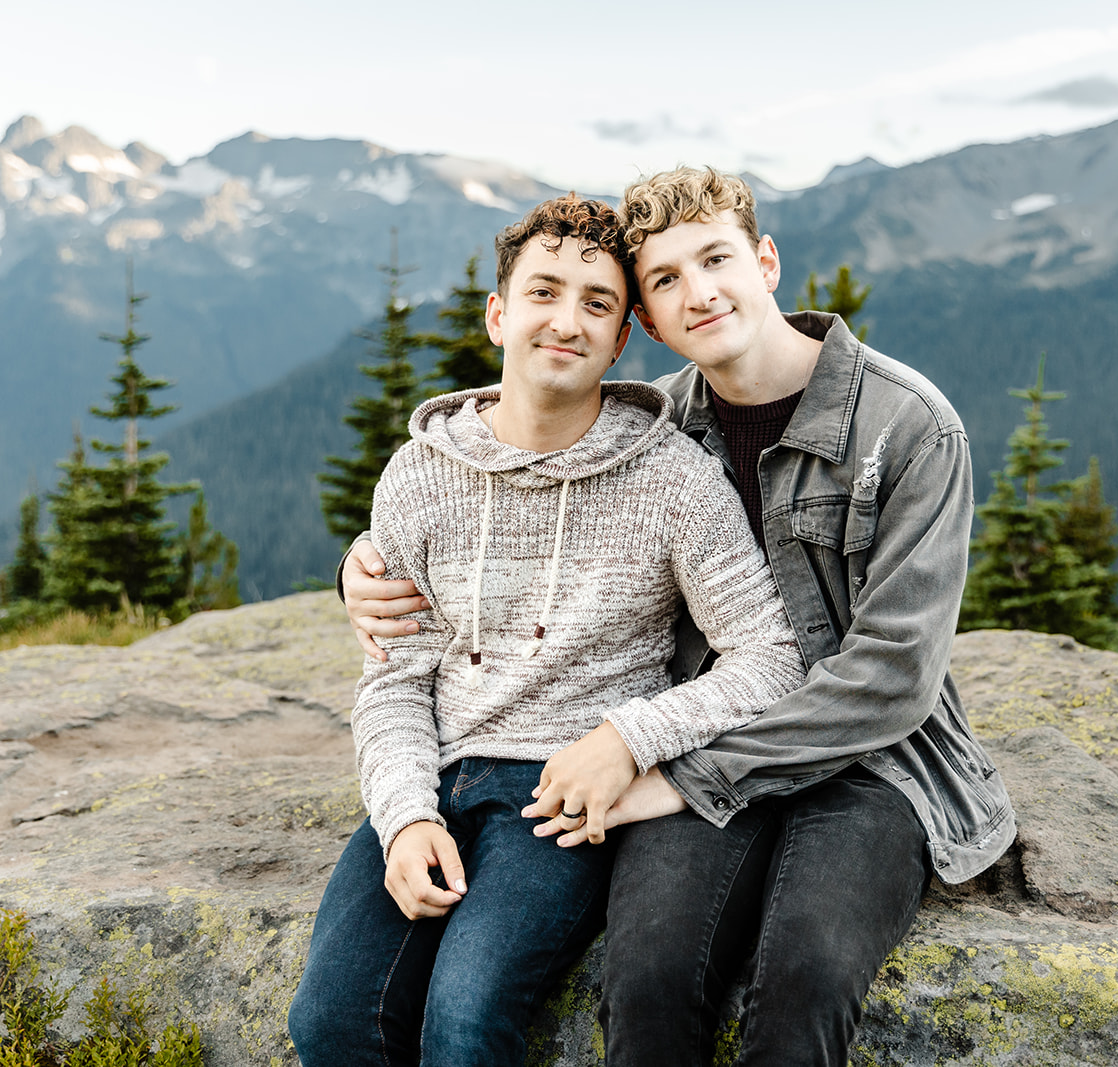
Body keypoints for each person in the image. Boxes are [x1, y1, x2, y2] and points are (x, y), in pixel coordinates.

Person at [340, 168, 1016, 1065]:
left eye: (717, 259)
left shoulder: (908, 426)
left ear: (765, 260)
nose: (699, 292)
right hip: (698, 734)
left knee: (805, 980)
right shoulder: (659, 432)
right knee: (650, 976)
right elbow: (521, 479)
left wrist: (658, 767)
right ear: (646, 324)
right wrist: (361, 564)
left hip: (868, 761)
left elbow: (893, 676)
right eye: (664, 280)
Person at [287, 193, 806, 1067]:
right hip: (440, 775)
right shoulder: (419, 477)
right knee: (332, 1020)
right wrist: (407, 814)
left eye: (597, 303)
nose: (566, 321)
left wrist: (630, 735)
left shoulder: (672, 477)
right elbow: (394, 679)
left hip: (560, 801)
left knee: (465, 1018)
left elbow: (770, 656)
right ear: (498, 314)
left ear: (621, 337)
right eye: (543, 293)